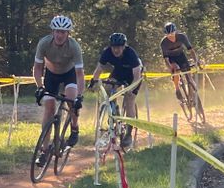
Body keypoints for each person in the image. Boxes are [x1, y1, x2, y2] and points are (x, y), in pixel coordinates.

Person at [32, 15, 85, 164]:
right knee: (49, 108)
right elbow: (37, 68)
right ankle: (44, 150)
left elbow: (80, 75)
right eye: (57, 31)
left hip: (69, 74)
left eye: (63, 32)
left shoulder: (74, 46)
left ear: (68, 34)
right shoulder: (44, 44)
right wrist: (40, 87)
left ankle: (74, 128)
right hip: (51, 75)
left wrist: (79, 96)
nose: (60, 35)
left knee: (71, 99)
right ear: (52, 32)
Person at [87, 32, 143, 148]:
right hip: (119, 72)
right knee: (108, 87)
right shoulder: (107, 52)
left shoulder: (130, 54)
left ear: (124, 46)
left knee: (129, 99)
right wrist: (93, 82)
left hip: (134, 75)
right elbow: (99, 69)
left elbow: (137, 76)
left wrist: (130, 88)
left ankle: (128, 133)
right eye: (114, 47)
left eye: (119, 47)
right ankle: (114, 109)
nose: (116, 50)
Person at [160, 22, 201, 99]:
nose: (171, 37)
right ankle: (177, 89)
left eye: (172, 34)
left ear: (175, 32)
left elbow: (191, 50)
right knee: (176, 69)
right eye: (168, 35)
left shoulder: (182, 37)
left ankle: (191, 92)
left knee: (189, 75)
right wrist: (170, 68)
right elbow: (166, 59)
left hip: (181, 56)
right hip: (171, 58)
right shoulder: (164, 43)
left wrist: (196, 61)